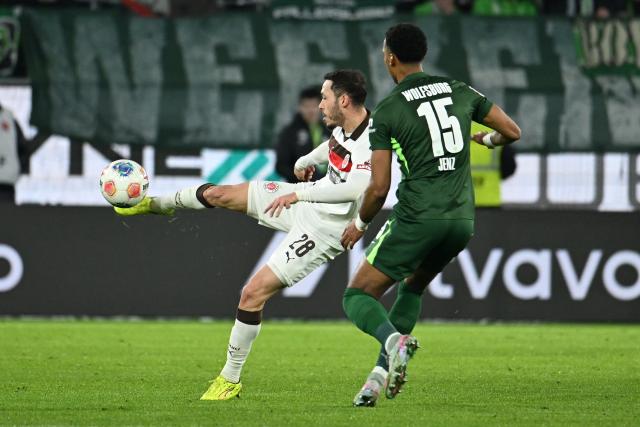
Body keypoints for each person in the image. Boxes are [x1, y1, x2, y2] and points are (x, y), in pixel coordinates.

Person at [115, 69, 372, 400]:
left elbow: (355, 186)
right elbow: (334, 147)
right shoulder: (344, 127)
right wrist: (307, 157)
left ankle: (230, 378)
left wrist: (300, 193)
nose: (320, 105)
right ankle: (154, 204)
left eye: (324, 98)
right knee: (221, 194)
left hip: (325, 228)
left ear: (344, 100)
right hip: (304, 203)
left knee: (252, 294)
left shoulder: (373, 139)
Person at [339, 23, 521, 407]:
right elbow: (512, 131)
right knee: (413, 287)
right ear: (421, 55)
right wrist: (486, 140)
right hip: (461, 222)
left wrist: (359, 224)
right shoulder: (458, 89)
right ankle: (375, 380)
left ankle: (394, 341)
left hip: (418, 217)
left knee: (357, 295)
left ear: (389, 57)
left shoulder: (387, 110)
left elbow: (378, 186)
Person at [275, 86, 329, 183]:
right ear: (300, 107)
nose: (310, 110)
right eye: (306, 106)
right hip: (299, 189)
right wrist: (300, 176)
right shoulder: (289, 132)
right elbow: (281, 166)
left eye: (314, 105)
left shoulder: (330, 130)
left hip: (327, 188)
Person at [0, 103, 27, 203]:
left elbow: (22, 149)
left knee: (6, 216)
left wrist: (17, 171)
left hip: (6, 184)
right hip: (7, 182)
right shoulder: (10, 119)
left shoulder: (9, 119)